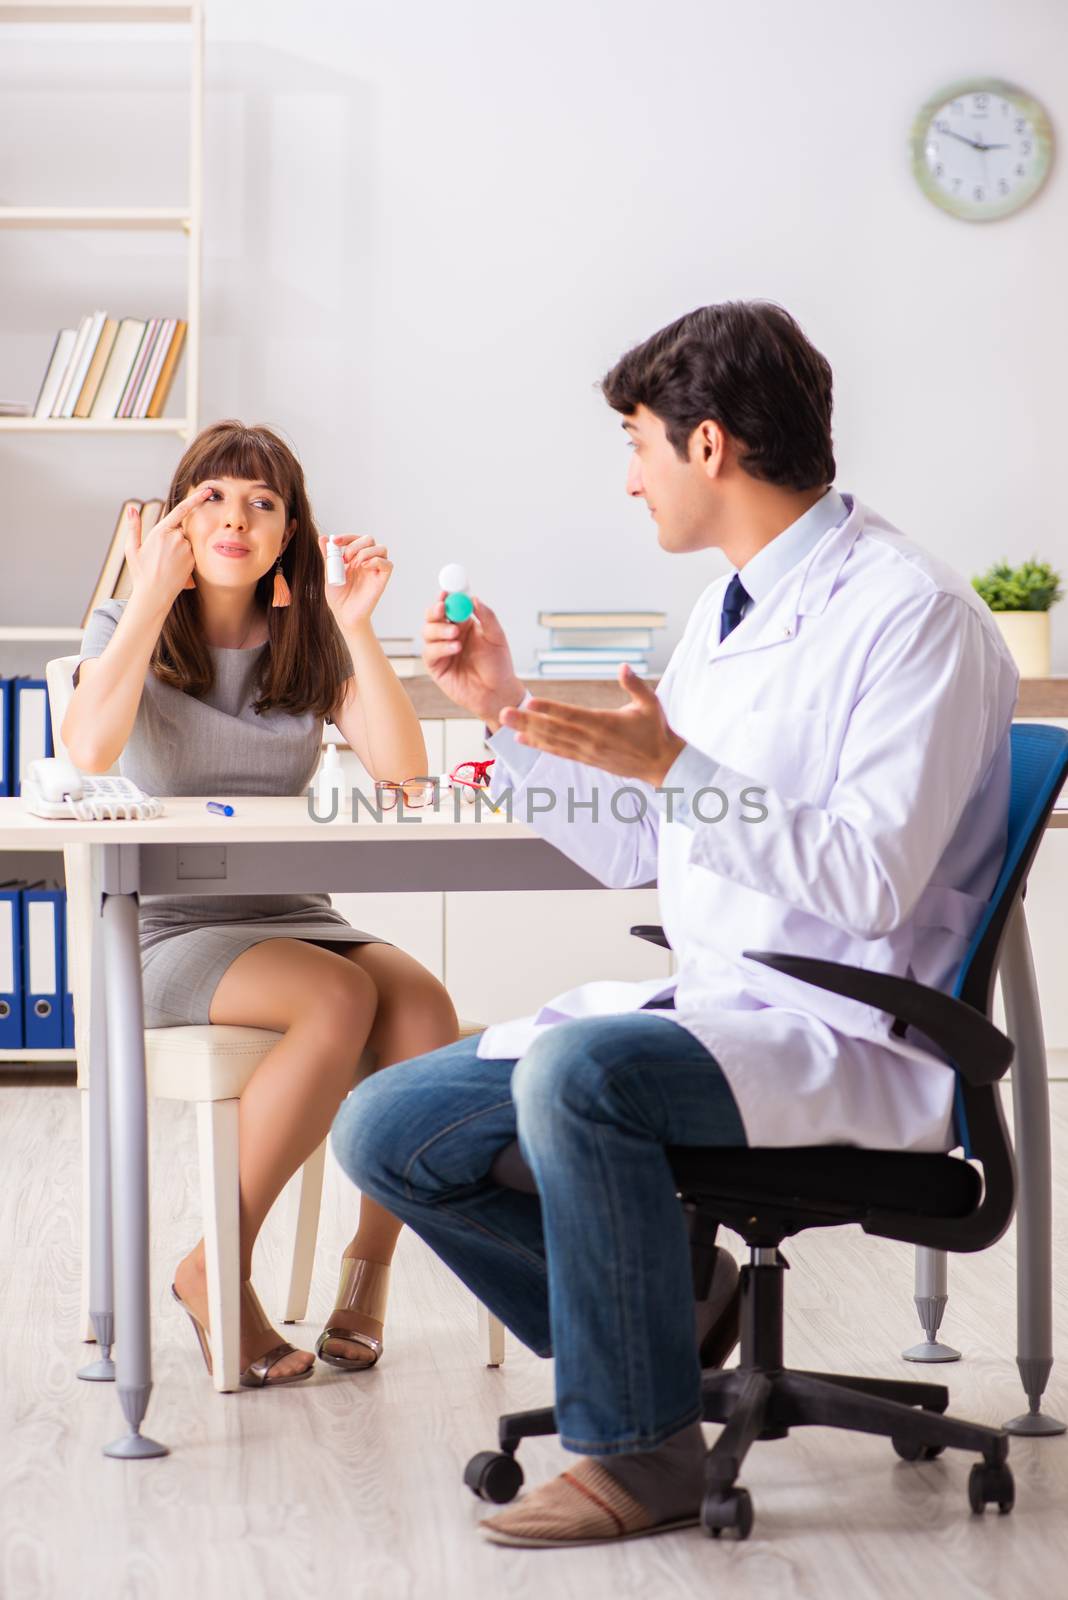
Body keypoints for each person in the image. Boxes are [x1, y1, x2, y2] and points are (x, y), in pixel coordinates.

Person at [329, 301, 1018, 1547]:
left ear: (710, 448)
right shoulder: (729, 612)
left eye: (639, 442)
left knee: (583, 1072)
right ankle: (667, 1328)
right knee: (387, 1123)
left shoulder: (913, 616)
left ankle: (639, 1450)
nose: (629, 474)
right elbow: (649, 842)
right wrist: (503, 712)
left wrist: (676, 770)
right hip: (726, 1010)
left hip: (849, 1028)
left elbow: (870, 879)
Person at [64, 420, 459, 1388]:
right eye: (213, 498)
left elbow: (405, 772)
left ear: (290, 533)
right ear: (177, 518)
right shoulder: (128, 626)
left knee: (427, 1015)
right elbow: (88, 750)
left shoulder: (307, 641)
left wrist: (356, 625)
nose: (237, 518)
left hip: (294, 914)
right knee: (337, 1000)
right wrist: (152, 590)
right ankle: (216, 1271)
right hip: (167, 929)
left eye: (263, 503)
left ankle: (364, 1279)